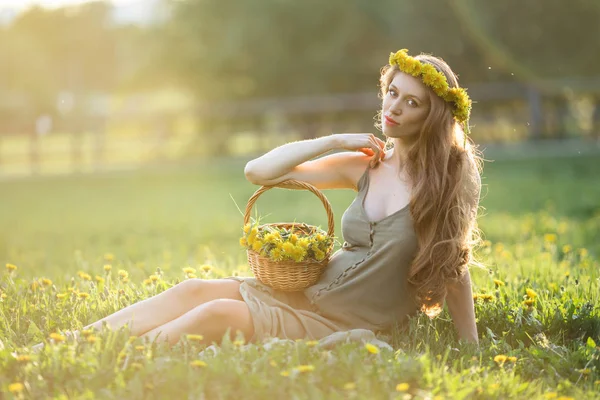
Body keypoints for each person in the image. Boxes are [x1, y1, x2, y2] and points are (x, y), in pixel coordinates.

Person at [34, 49, 483, 350]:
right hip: (305, 291)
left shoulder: (446, 182)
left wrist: (471, 349)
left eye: (412, 102)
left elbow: (455, 268)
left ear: (434, 115)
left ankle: (109, 359)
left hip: (344, 322)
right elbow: (259, 172)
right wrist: (335, 139)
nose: (395, 108)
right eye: (392, 93)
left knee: (215, 313)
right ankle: (71, 345)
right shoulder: (365, 163)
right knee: (193, 289)